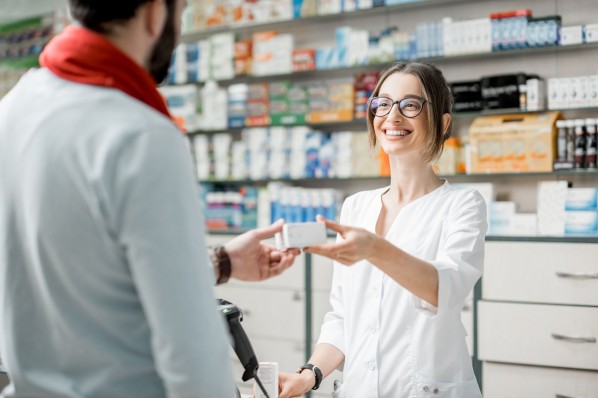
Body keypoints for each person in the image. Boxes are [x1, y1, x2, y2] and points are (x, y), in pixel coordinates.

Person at [0, 0, 299, 397]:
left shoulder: (14, 108)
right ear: (157, 12)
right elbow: (191, 350)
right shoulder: (142, 134)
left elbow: (77, 270)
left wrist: (222, 262)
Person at [278, 62, 487, 398]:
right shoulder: (356, 207)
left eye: (410, 104)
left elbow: (443, 289)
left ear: (443, 123)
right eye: (383, 103)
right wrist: (309, 375)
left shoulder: (462, 205)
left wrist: (374, 249)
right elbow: (343, 315)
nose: (393, 116)